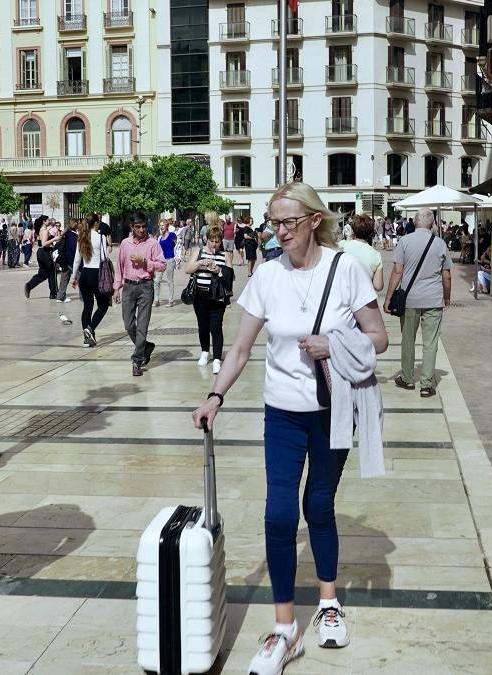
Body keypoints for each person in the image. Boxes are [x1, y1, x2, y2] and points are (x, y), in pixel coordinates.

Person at [191, 181, 386, 675]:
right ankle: (285, 629)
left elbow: (379, 337)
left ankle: (328, 602)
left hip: (332, 410)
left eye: (289, 222)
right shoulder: (267, 275)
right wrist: (215, 395)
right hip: (281, 412)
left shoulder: (346, 269)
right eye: (273, 222)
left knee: (318, 506)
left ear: (315, 220)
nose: (279, 231)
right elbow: (239, 349)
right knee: (279, 515)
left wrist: (333, 343)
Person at [385, 208, 452, 396]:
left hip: (409, 299)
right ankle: (426, 385)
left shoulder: (404, 241)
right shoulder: (440, 244)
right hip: (433, 299)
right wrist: (447, 298)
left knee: (408, 340)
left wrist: (388, 297)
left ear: (414, 222)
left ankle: (407, 378)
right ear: (432, 224)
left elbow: (397, 272)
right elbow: (446, 275)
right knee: (430, 343)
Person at [114, 211, 166, 376]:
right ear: (132, 227)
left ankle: (137, 360)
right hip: (128, 287)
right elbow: (119, 267)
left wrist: (145, 262)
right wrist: (116, 288)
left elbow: (162, 265)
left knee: (142, 326)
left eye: (144, 226)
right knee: (129, 325)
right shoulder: (125, 244)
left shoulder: (153, 244)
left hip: (145, 287)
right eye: (138, 227)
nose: (141, 230)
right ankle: (146, 346)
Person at [184, 225, 233, 374]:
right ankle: (205, 351)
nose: (214, 244)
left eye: (217, 241)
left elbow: (230, 276)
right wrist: (200, 263)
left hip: (217, 297)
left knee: (216, 328)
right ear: (207, 240)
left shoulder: (225, 255)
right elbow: (188, 269)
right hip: (200, 295)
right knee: (203, 326)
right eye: (212, 241)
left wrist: (219, 270)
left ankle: (217, 358)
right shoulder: (198, 251)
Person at [71, 214, 112, 347]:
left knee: (87, 306)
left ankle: (87, 338)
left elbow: (77, 259)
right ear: (96, 223)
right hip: (97, 274)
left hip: (84, 274)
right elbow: (104, 258)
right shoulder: (101, 237)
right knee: (103, 305)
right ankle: (91, 328)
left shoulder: (81, 237)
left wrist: (74, 277)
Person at [337, 215, 385, 292]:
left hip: (341, 293)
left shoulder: (342, 245)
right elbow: (378, 286)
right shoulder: (375, 255)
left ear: (353, 230)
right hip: (363, 295)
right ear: (370, 233)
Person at [24, 216, 61, 299]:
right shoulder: (44, 231)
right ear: (44, 221)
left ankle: (29, 285)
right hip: (46, 253)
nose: (49, 221)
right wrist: (55, 239)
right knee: (52, 272)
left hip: (40, 252)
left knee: (43, 274)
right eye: (48, 220)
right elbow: (44, 243)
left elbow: (42, 243)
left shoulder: (41, 230)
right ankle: (54, 293)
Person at [154, 219, 177, 307]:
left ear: (167, 226)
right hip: (161, 261)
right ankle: (156, 300)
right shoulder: (160, 237)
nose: (161, 227)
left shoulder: (172, 235)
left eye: (163, 225)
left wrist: (177, 258)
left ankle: (171, 300)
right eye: (160, 225)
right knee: (157, 280)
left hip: (170, 259)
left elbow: (176, 246)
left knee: (169, 280)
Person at [55, 219, 77, 303]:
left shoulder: (66, 234)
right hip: (70, 260)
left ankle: (60, 296)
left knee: (64, 278)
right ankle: (87, 295)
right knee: (81, 277)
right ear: (75, 225)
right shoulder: (72, 235)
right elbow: (73, 249)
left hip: (64, 260)